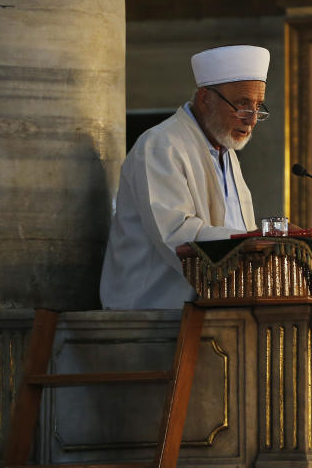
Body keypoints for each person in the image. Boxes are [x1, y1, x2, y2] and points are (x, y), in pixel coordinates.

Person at [100, 45, 270, 309]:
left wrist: (270, 241)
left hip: (214, 309)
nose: (252, 120)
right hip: (153, 314)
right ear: (205, 98)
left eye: (258, 107)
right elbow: (178, 236)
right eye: (242, 105)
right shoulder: (160, 145)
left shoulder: (226, 153)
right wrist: (255, 241)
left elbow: (237, 230)